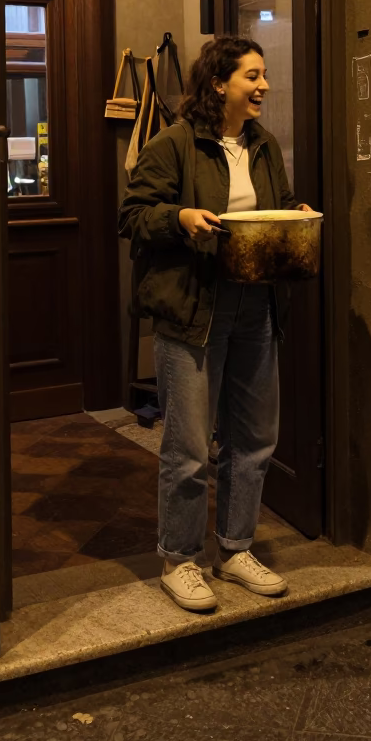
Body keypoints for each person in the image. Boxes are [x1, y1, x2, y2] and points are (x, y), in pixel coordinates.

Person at [119, 36, 313, 612]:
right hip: (194, 310)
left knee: (253, 439)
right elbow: (131, 216)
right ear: (218, 84)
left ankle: (234, 548)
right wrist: (179, 218)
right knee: (188, 446)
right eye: (253, 76)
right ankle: (179, 559)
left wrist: (295, 216)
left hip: (258, 307)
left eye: (265, 75)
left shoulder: (263, 145)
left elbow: (273, 205)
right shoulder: (172, 144)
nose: (264, 87)